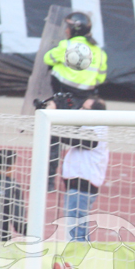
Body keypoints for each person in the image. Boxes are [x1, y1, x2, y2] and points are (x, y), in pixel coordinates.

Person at [43, 12, 108, 191]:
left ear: (73, 29)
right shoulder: (99, 52)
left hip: (63, 99)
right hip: (84, 102)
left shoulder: (68, 45)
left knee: (53, 138)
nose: (65, 30)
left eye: (67, 27)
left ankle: (48, 181)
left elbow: (47, 58)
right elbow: (101, 78)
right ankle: (79, 177)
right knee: (84, 142)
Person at [60, 98, 109, 242]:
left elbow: (79, 139)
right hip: (78, 186)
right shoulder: (88, 126)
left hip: (82, 186)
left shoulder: (97, 129)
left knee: (76, 232)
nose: (80, 111)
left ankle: (78, 261)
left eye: (84, 109)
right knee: (76, 229)